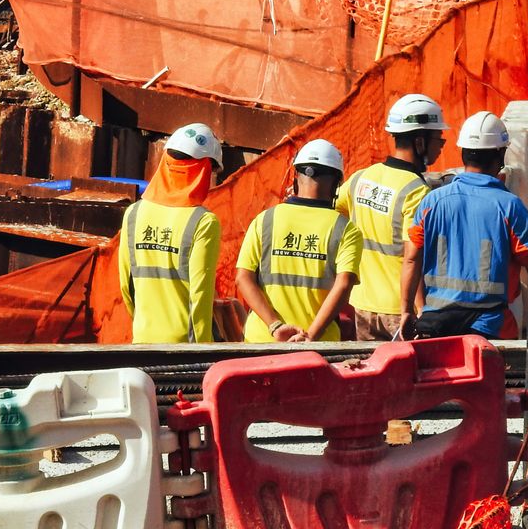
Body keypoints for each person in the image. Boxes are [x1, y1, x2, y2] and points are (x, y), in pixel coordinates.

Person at [400, 111, 528, 339]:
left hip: (437, 324)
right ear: (501, 156)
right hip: (490, 326)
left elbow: (411, 258)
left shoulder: (432, 202)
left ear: (464, 153)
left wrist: (407, 310)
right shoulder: (509, 206)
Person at [334, 93, 449, 340]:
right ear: (420, 141)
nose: (440, 146)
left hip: (362, 303)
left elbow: (334, 216)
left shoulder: (360, 178)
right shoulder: (416, 191)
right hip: (397, 309)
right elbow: (412, 257)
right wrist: (414, 309)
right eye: (438, 139)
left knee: (370, 374)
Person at [236, 139, 363, 342]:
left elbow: (243, 278)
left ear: (296, 177)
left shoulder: (265, 219)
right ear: (337, 184)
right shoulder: (346, 229)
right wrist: (310, 336)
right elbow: (344, 284)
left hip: (262, 341)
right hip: (318, 346)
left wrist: (275, 326)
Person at [119, 123, 222, 343]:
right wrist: (203, 348)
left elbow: (126, 286)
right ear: (204, 169)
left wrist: (141, 326)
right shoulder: (204, 222)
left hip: (142, 340)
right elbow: (200, 296)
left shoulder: (133, 213)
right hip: (184, 348)